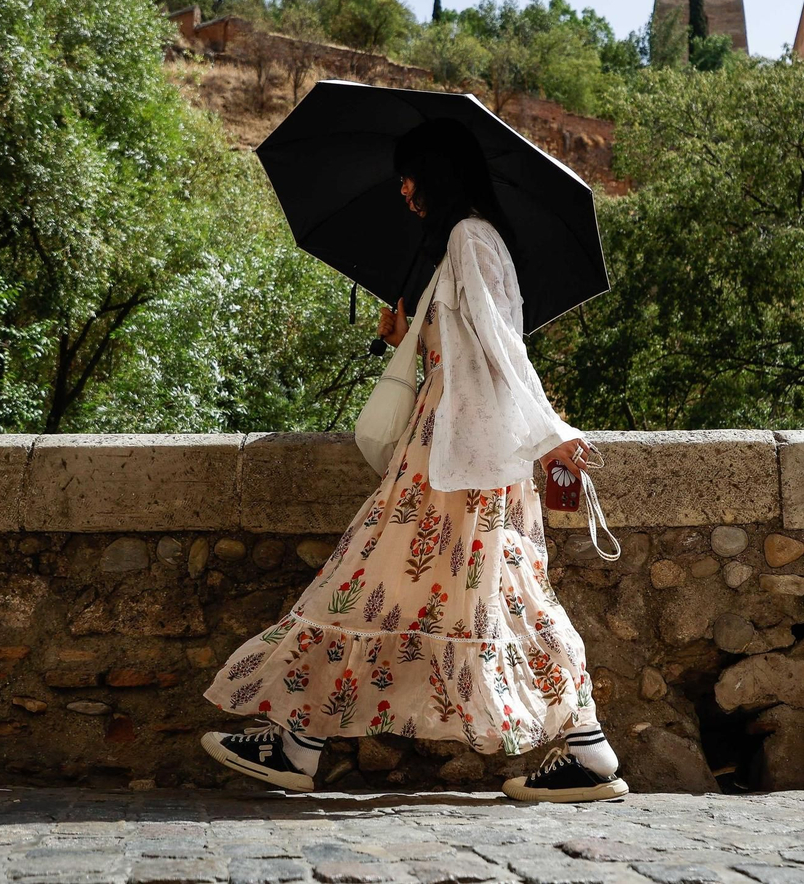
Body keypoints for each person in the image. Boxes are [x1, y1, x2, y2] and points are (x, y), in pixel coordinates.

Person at [200, 117, 626, 803]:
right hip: (463, 458)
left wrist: (552, 432)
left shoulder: (468, 238)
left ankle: (295, 742)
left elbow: (501, 346)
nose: (403, 189)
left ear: (438, 175)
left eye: (410, 175)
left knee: (367, 577)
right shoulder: (468, 242)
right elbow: (467, 349)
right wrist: (411, 335)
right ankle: (587, 747)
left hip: (450, 464)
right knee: (502, 594)